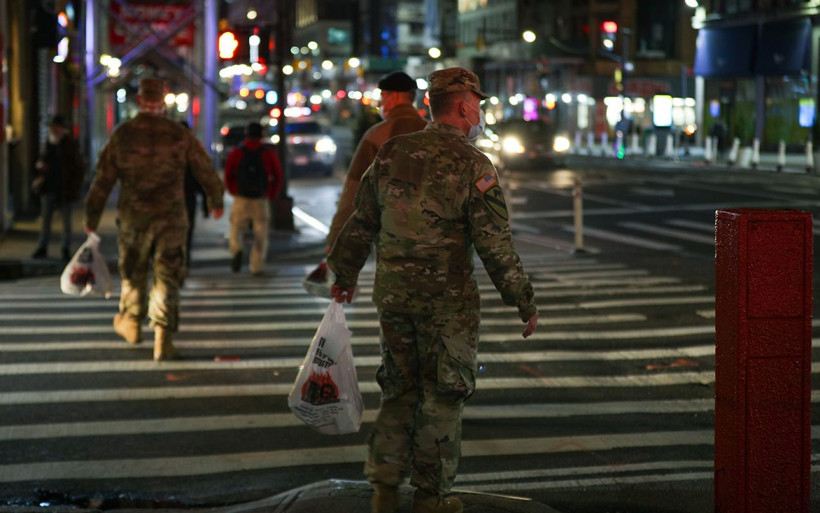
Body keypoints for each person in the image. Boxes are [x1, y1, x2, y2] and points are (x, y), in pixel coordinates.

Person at [326, 67, 539, 513]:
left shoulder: (392, 152)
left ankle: (383, 490)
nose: (478, 111)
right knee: (442, 396)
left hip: (395, 298)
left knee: (399, 392)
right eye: (476, 104)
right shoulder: (473, 164)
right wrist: (522, 299)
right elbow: (494, 244)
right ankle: (430, 499)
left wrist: (343, 275)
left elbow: (361, 221)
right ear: (463, 106)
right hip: (448, 305)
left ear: (428, 106)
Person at [84, 78, 225, 361]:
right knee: (167, 275)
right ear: (163, 99)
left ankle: (132, 322)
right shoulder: (178, 135)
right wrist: (215, 200)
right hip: (171, 217)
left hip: (135, 217)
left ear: (139, 100)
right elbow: (205, 169)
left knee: (134, 272)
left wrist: (92, 216)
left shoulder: (123, 135)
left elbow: (103, 181)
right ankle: (163, 339)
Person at [305, 71, 427, 291]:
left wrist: (335, 241)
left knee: (399, 317)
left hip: (395, 248)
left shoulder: (377, 136)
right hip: (442, 250)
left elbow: (353, 196)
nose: (379, 103)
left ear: (393, 97)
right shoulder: (435, 134)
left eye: (382, 97)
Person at [223, 121, 283, 275]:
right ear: (261, 135)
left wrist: (234, 190)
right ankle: (256, 265)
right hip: (260, 199)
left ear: (246, 134)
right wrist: (270, 195)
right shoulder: (267, 153)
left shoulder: (237, 152)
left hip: (241, 197)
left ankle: (237, 249)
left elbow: (228, 174)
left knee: (236, 228)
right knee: (261, 234)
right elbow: (277, 176)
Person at [31, 115, 84, 261]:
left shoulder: (69, 144)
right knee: (46, 219)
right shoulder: (48, 143)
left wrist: (74, 184)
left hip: (64, 187)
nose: (54, 130)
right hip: (48, 187)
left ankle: (65, 248)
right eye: (52, 127)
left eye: (56, 127)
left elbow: (77, 166)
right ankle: (42, 247)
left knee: (66, 220)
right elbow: (42, 160)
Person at [180, 120, 208, 272]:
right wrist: (206, 200)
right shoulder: (193, 151)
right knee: (186, 231)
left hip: (171, 199)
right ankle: (184, 260)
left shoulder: (165, 150)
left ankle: (178, 261)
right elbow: (202, 177)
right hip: (187, 196)